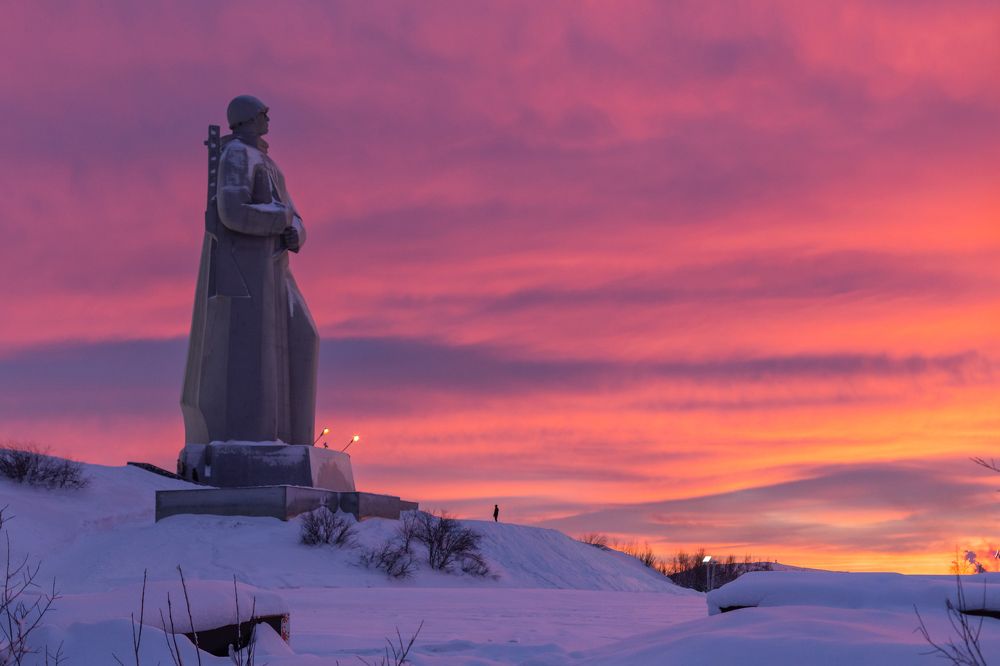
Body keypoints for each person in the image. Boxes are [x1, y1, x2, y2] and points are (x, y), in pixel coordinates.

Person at [181, 95, 319, 446]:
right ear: (244, 119)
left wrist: (295, 231)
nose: (267, 118)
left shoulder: (269, 163)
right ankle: (259, 437)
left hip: (277, 267)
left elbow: (294, 214)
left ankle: (295, 440)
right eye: (262, 114)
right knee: (255, 355)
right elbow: (232, 211)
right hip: (249, 269)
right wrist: (280, 219)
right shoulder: (236, 156)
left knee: (305, 336)